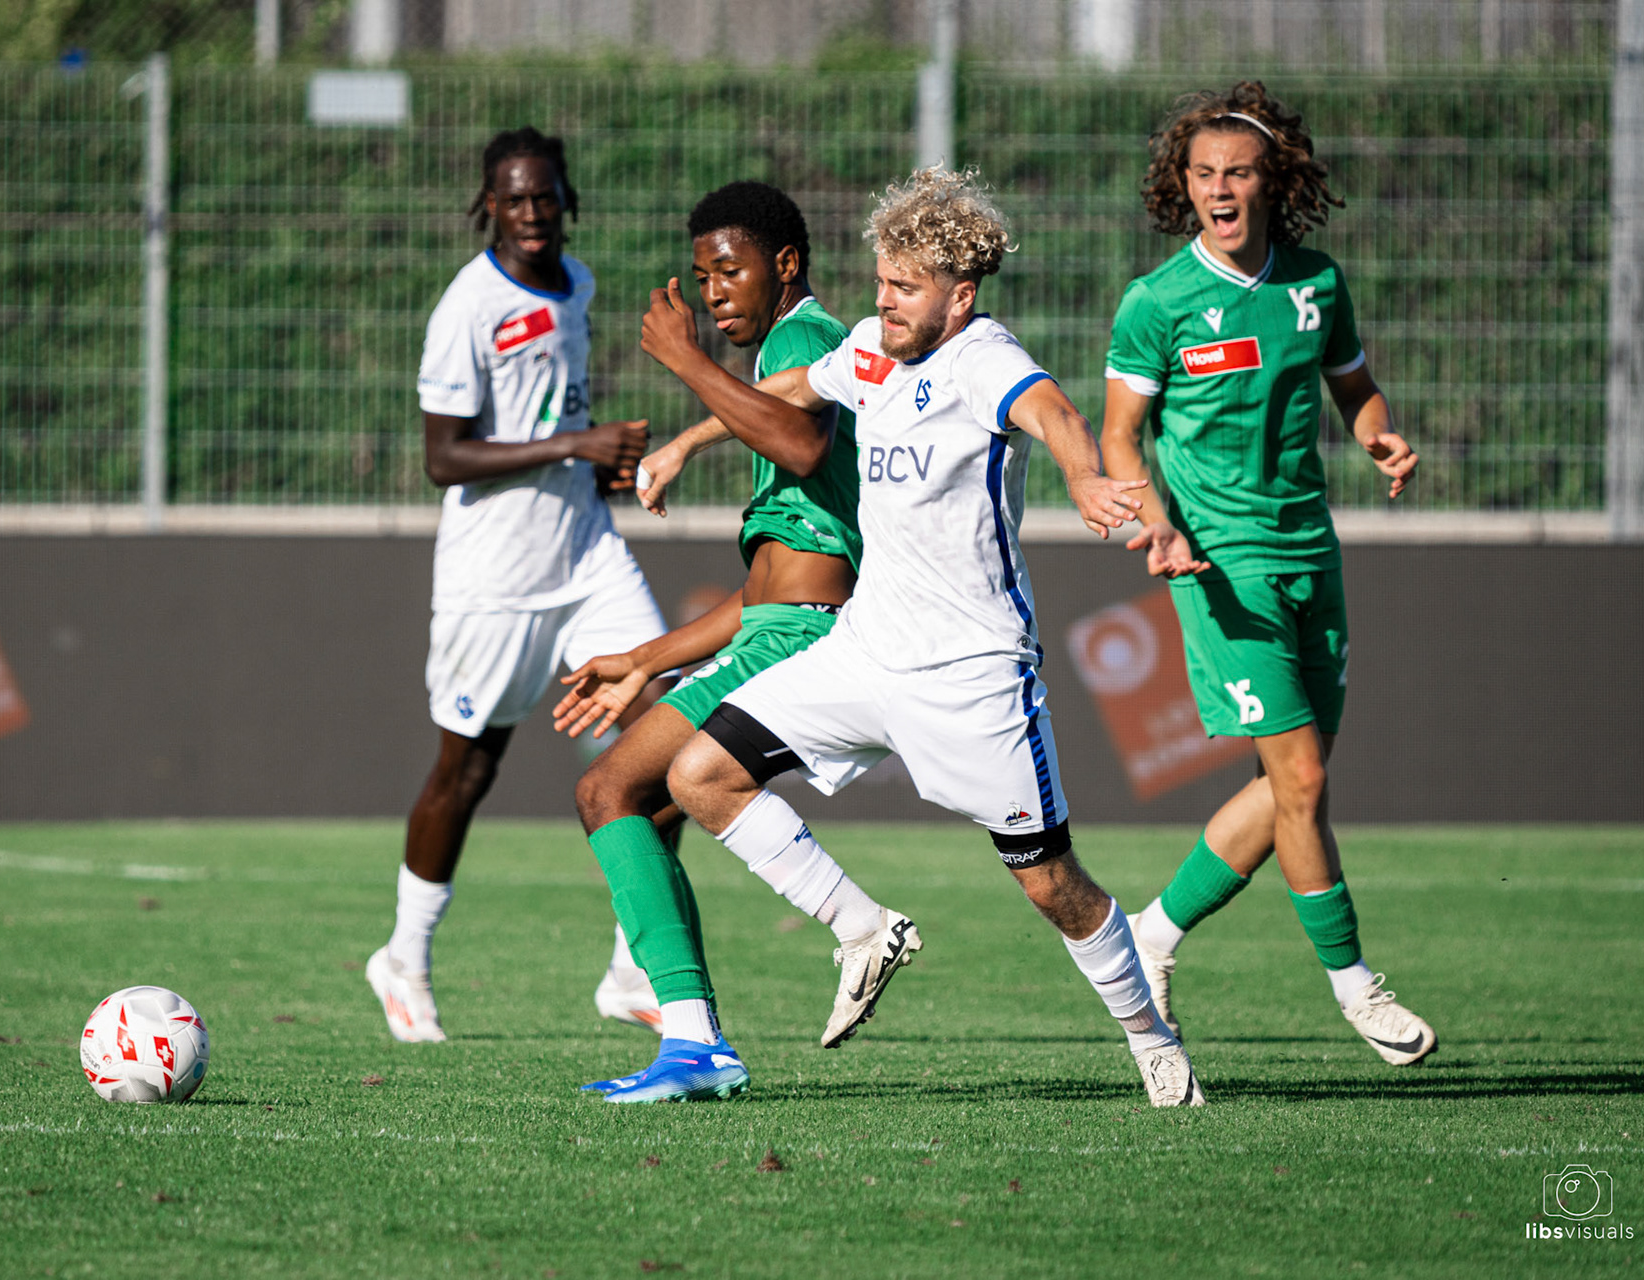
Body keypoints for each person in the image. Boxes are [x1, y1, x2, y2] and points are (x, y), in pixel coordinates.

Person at [663, 167, 1208, 1108]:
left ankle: (1150, 1037)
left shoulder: (983, 358)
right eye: (880, 282)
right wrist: (685, 443)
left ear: (960, 295)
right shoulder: (874, 347)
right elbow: (791, 390)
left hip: (972, 675)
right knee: (698, 775)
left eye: (906, 288)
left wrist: (1083, 477)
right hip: (866, 650)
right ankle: (861, 926)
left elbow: (1054, 412)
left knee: (1051, 888)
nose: (884, 304)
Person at [1098, 82, 1436, 1065]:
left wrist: (1382, 437)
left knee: (1290, 789)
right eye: (1203, 175)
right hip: (1219, 565)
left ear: (1272, 180)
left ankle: (1151, 936)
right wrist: (1153, 520)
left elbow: (1355, 388)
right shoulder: (1158, 304)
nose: (1219, 190)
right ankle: (1356, 985)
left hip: (1311, 556)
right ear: (1183, 187)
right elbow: (1121, 437)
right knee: (1304, 776)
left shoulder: (1316, 285)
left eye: (1237, 173)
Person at [550, 181, 861, 1103]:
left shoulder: (805, 337)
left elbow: (802, 445)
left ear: (786, 265)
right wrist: (648, 658)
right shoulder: (779, 355)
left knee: (611, 789)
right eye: (701, 276)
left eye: (730, 269)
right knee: (637, 802)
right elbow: (767, 583)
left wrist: (685, 363)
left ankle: (832, 939)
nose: (715, 290)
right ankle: (692, 1038)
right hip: (780, 625)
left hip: (800, 636)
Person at [365, 127, 672, 1043]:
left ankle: (631, 968)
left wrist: (600, 462)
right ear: (487, 206)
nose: (533, 213)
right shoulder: (467, 305)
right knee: (468, 769)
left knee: (671, 733)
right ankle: (405, 957)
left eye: (546, 196)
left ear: (566, 201)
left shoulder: (575, 284)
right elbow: (443, 457)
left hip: (584, 554)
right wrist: (573, 444)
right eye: (514, 198)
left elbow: (554, 411)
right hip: (492, 579)